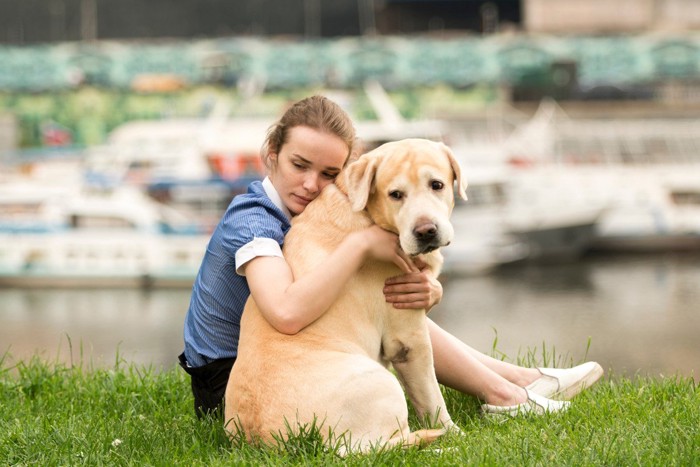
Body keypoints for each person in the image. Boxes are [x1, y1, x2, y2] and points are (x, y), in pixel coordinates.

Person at [179, 95, 602, 419]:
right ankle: (508, 392)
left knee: (392, 304)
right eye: (298, 165)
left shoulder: (311, 218)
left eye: (330, 175)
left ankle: (520, 382)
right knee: (389, 312)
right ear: (270, 152)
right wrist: (361, 245)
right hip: (237, 383)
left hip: (285, 368)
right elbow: (286, 313)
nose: (311, 185)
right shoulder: (253, 220)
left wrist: (428, 289)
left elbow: (365, 300)